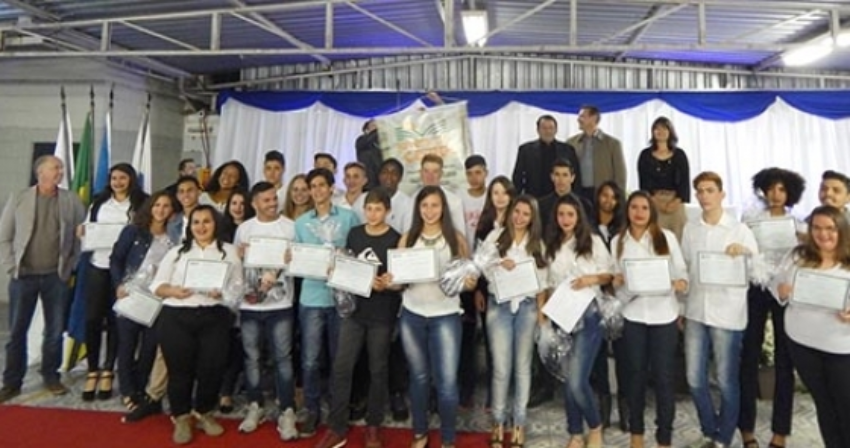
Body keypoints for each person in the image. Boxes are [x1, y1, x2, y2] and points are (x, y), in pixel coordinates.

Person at [315, 188, 403, 448]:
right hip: (354, 312)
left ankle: (373, 426)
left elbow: (399, 279)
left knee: (378, 369)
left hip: (382, 314)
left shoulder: (396, 238)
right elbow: (349, 265)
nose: (373, 214)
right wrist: (337, 268)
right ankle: (336, 426)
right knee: (342, 367)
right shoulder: (354, 234)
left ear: (388, 211)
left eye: (378, 209)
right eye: (369, 209)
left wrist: (387, 283)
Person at [150, 205, 243, 445]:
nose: (201, 227)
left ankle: (204, 412)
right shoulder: (177, 252)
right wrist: (174, 291)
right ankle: (181, 417)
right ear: (189, 227)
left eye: (207, 221)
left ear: (216, 224)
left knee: (211, 369)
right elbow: (157, 286)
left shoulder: (229, 252)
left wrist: (222, 294)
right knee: (179, 371)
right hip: (176, 316)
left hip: (214, 317)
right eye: (196, 222)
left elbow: (238, 290)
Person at [681, 171, 759, 448]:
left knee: (726, 381)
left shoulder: (739, 230)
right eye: (700, 191)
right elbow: (685, 267)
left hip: (727, 313)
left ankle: (723, 438)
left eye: (710, 190)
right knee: (694, 379)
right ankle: (709, 429)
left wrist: (745, 254)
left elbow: (758, 272)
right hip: (695, 311)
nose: (704, 196)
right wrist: (681, 305)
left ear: (721, 194)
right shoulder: (691, 229)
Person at [0, 155, 86, 403]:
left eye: (61, 168)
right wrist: (10, 266)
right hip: (23, 276)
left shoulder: (71, 200)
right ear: (41, 172)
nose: (60, 172)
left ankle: (51, 375)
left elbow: (81, 236)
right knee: (17, 332)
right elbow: (4, 236)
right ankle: (12, 382)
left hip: (55, 277)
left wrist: (71, 266)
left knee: (55, 331)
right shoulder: (19, 198)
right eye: (55, 168)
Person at [397, 186, 477, 448]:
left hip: (446, 316)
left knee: (447, 383)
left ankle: (448, 439)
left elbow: (468, 280)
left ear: (443, 208)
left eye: (435, 205)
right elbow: (399, 282)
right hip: (412, 314)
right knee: (418, 377)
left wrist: (469, 282)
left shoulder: (456, 239)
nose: (429, 211)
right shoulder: (408, 238)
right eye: (424, 206)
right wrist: (390, 280)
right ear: (417, 209)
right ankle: (419, 432)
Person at [611, 191, 688, 448]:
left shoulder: (666, 238)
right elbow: (614, 280)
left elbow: (682, 274)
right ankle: (637, 435)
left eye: (644, 208)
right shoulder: (617, 241)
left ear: (651, 212)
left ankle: (664, 437)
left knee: (664, 379)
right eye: (634, 207)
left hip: (663, 316)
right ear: (627, 210)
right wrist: (617, 281)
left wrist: (679, 283)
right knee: (635, 377)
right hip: (633, 316)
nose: (639, 212)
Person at [772, 205, 850, 448]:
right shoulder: (797, 256)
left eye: (830, 228)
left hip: (840, 347)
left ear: (841, 230)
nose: (823, 234)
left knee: (845, 405)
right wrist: (781, 290)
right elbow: (776, 282)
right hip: (802, 343)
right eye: (816, 228)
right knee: (823, 403)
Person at [739, 168, 806, 448]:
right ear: (763, 190)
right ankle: (746, 430)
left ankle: (780, 433)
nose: (776, 194)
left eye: (782, 189)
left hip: (784, 293)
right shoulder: (751, 221)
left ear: (790, 193)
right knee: (748, 357)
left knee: (784, 362)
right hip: (756, 289)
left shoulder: (798, 225)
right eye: (771, 188)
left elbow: (804, 260)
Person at [293, 168, 360, 437]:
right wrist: (291, 258)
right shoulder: (301, 223)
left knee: (338, 360)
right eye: (313, 186)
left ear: (332, 188)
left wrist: (344, 257)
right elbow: (296, 258)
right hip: (311, 297)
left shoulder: (348, 217)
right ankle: (312, 409)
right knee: (310, 360)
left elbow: (358, 252)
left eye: (322, 185)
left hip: (340, 298)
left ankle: (337, 409)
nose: (318, 190)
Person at [546, 194, 614, 448]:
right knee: (567, 378)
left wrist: (590, 279)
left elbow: (609, 274)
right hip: (561, 315)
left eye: (570, 214)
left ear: (579, 217)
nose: (565, 219)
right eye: (561, 214)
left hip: (588, 314)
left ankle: (595, 426)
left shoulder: (592, 241)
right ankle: (575, 432)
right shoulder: (551, 244)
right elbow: (547, 282)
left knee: (577, 380)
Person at [77, 163, 148, 401]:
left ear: (131, 179)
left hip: (126, 270)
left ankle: (109, 368)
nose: (118, 182)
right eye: (114, 178)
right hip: (98, 266)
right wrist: (83, 232)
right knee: (92, 319)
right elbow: (88, 227)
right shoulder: (99, 202)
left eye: (123, 178)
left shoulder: (141, 202)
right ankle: (92, 369)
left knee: (117, 318)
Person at [234, 182, 299, 440]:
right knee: (252, 357)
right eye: (267, 200)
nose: (273, 203)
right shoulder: (244, 229)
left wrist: (290, 260)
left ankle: (287, 409)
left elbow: (299, 262)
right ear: (254, 204)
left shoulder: (290, 227)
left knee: (283, 358)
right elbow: (236, 264)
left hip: (281, 304)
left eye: (274, 199)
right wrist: (239, 254)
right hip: (249, 304)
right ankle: (255, 405)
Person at [483, 195, 548, 448]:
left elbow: (542, 283)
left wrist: (541, 314)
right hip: (499, 306)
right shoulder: (495, 237)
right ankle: (498, 421)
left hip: (527, 308)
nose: (520, 217)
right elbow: (481, 267)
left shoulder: (537, 244)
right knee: (501, 368)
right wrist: (499, 263)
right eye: (517, 211)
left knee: (522, 367)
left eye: (526, 214)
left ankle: (519, 422)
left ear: (533, 218)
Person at [111, 191, 178, 416]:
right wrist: (118, 284)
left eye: (166, 206)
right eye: (157, 205)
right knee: (127, 345)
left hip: (157, 300)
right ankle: (127, 391)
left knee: (149, 348)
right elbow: (116, 259)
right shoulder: (133, 231)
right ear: (150, 207)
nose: (161, 210)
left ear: (172, 211)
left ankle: (140, 388)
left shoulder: (174, 238)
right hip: (131, 296)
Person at [588, 180, 629, 431]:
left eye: (613, 197)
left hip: (621, 297)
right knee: (598, 356)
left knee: (623, 355)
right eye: (604, 195)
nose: (608, 201)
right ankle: (603, 406)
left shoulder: (624, 228)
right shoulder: (588, 226)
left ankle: (625, 408)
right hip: (595, 296)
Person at [218, 189, 254, 414]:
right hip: (221, 294)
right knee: (223, 343)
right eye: (234, 203)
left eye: (242, 203)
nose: (238, 207)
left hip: (248, 293)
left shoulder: (253, 229)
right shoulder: (219, 230)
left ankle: (227, 391)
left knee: (241, 345)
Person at [458, 154, 488, 407]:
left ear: (485, 173)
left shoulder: (493, 195)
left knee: (490, 333)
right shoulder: (458, 197)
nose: (474, 177)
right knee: (466, 334)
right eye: (469, 173)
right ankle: (465, 388)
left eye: (478, 172)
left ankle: (493, 391)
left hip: (488, 274)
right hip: (465, 272)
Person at [637, 117, 691, 240]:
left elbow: (684, 182)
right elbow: (643, 183)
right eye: (657, 128)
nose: (660, 131)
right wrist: (657, 203)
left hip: (676, 202)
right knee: (655, 240)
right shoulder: (645, 155)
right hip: (653, 202)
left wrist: (675, 202)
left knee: (679, 240)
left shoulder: (680, 155)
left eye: (664, 128)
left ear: (670, 131)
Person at [566, 105, 626, 202]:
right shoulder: (571, 143)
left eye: (582, 116)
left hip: (603, 195)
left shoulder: (612, 144)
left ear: (593, 118)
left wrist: (619, 199)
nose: (578, 119)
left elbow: (620, 175)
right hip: (578, 194)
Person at [513, 115, 581, 199]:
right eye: (544, 128)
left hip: (561, 198)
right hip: (534, 198)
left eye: (551, 128)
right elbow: (518, 177)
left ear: (556, 130)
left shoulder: (568, 150)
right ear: (538, 130)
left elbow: (576, 176)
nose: (548, 131)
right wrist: (517, 198)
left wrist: (575, 198)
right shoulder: (525, 150)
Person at [415, 154, 466, 239]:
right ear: (420, 173)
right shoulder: (412, 200)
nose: (430, 176)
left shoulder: (454, 201)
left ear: (441, 174)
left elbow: (461, 235)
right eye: (426, 171)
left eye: (435, 171)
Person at [538, 159, 593, 231]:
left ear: (572, 178)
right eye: (557, 175)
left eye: (565, 175)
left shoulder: (584, 205)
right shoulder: (541, 205)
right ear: (552, 177)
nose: (561, 179)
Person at [378, 158, 412, 234]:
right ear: (379, 175)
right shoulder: (366, 199)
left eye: (394, 173)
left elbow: (407, 234)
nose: (389, 177)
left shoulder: (408, 204)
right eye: (385, 172)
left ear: (400, 178)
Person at [168, 176, 202, 243]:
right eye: (181, 191)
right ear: (177, 196)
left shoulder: (214, 217)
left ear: (199, 192)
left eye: (190, 190)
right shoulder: (172, 223)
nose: (186, 195)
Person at [356, 119, 382, 191]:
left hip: (379, 174)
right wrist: (375, 132)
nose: (376, 127)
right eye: (373, 125)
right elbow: (365, 143)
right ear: (366, 128)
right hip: (367, 175)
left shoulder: (381, 141)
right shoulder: (361, 139)